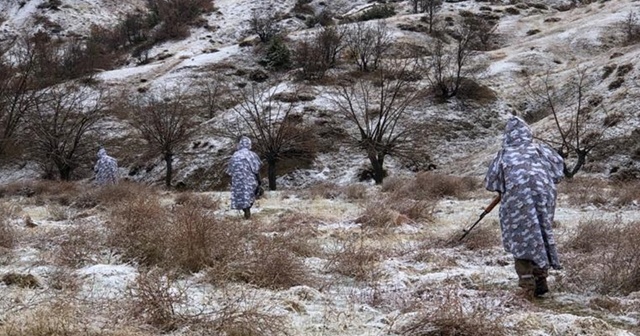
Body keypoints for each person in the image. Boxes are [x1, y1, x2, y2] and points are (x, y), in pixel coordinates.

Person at [484, 115, 564, 298]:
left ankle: (527, 284)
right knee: (540, 233)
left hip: (516, 202)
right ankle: (541, 279)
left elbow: (491, 182)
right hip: (544, 198)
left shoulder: (504, 154)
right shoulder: (541, 150)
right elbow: (558, 171)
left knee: (522, 238)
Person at [226, 136, 262, 219]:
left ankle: (245, 210)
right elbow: (256, 169)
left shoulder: (234, 155)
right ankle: (247, 210)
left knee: (240, 196)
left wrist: (232, 180)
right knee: (250, 195)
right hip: (249, 180)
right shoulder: (252, 155)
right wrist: (259, 180)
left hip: (237, 180)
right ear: (249, 144)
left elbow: (230, 170)